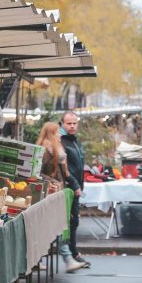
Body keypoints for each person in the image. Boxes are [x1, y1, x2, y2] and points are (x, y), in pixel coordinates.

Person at [38, 122, 85, 273]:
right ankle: (67, 259)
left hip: (55, 193)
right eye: (57, 132)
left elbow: (65, 173)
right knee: (57, 226)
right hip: (49, 194)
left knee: (52, 227)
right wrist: (54, 183)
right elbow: (39, 173)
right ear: (51, 133)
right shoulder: (46, 150)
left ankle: (42, 260)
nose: (60, 134)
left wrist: (73, 185)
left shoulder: (56, 149)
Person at [61, 111, 91, 268]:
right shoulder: (62, 143)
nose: (72, 126)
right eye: (69, 123)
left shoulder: (75, 142)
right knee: (72, 222)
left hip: (76, 188)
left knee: (75, 221)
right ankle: (72, 254)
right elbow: (65, 169)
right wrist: (74, 185)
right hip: (69, 188)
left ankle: (74, 252)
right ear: (63, 124)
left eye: (74, 123)